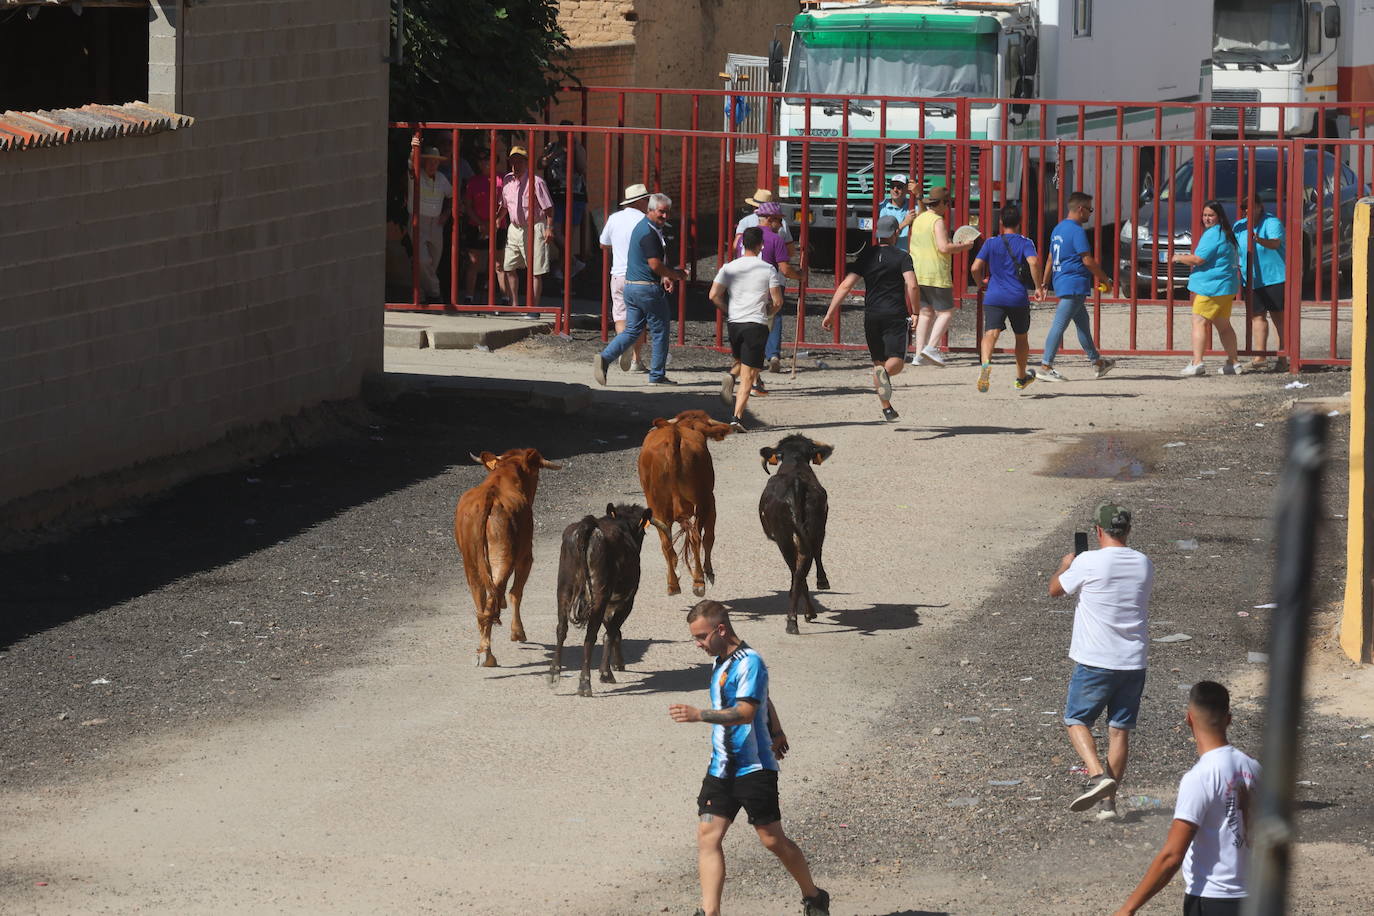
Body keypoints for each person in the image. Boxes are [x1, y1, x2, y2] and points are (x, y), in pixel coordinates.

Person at [668, 600, 830, 916]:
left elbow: (745, 711)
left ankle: (813, 896)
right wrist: (778, 730)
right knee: (708, 834)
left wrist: (699, 715)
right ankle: (709, 912)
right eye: (695, 638)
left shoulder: (750, 662)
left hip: (754, 769)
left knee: (772, 841)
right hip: (721, 768)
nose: (698, 644)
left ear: (721, 629)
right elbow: (764, 697)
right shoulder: (720, 661)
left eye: (701, 637)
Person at [1112, 681, 1260, 916]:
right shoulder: (1254, 767)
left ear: (1188, 719)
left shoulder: (1200, 777)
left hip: (1212, 899)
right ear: (1229, 719)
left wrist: (1128, 909)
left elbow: (1172, 856)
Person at [1049, 504, 1154, 819]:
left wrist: (1065, 565)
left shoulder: (1089, 561)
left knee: (1076, 719)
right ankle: (1109, 805)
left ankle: (1097, 776)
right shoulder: (1144, 563)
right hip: (1134, 661)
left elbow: (1055, 590)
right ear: (1128, 530)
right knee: (1119, 731)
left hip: (1096, 659)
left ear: (1097, 530)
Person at [821, 214, 918, 422]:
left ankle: (887, 408)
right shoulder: (903, 257)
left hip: (871, 315)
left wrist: (830, 312)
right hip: (894, 314)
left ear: (878, 234)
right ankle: (882, 375)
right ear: (896, 233)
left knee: (879, 363)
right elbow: (912, 285)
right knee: (897, 362)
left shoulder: (866, 256)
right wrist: (916, 311)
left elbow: (846, 285)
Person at [592, 193, 685, 386]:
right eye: (661, 212)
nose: (665, 216)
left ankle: (605, 358)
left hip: (631, 287)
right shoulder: (648, 232)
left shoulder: (644, 227)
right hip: (647, 289)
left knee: (632, 330)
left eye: (667, 212)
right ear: (650, 209)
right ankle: (657, 375)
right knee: (660, 331)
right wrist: (675, 274)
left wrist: (666, 274)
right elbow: (654, 265)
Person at [710, 226, 784, 432]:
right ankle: (737, 417)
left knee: (743, 362)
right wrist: (768, 310)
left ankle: (731, 376)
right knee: (750, 373)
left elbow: (713, 295)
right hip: (756, 323)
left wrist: (728, 309)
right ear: (761, 245)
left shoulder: (729, 267)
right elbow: (777, 301)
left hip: (735, 323)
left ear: (742, 243)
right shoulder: (767, 269)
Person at [1038, 192, 1118, 381]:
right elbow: (1087, 260)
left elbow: (1050, 258)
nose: (1090, 213)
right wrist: (1106, 279)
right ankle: (1046, 366)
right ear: (1080, 209)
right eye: (1089, 209)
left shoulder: (1058, 229)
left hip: (1063, 283)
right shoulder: (1076, 230)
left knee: (1083, 325)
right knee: (1059, 325)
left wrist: (1044, 283)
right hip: (1074, 284)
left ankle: (1097, 363)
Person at [971, 204, 1046, 393]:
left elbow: (974, 268)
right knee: (1021, 337)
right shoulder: (1025, 242)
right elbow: (1034, 262)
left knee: (990, 333)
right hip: (1017, 297)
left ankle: (986, 364)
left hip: (994, 295)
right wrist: (1038, 287)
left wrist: (980, 284)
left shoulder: (991, 242)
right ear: (1020, 223)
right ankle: (1021, 377)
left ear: (1001, 222)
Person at [908, 186, 976, 366]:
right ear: (943, 203)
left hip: (918, 271)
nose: (948, 208)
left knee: (925, 313)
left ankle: (918, 355)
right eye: (948, 204)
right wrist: (964, 246)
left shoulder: (920, 218)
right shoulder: (938, 221)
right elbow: (943, 247)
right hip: (936, 272)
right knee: (946, 311)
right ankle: (931, 348)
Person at [1174, 199, 1242, 376]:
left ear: (1219, 217)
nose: (1207, 218)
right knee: (1224, 326)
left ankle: (1197, 363)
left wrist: (1179, 257)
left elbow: (1198, 259)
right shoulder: (1226, 233)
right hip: (1226, 286)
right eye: (1204, 215)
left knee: (1199, 322)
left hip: (1211, 287)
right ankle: (1233, 362)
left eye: (1210, 215)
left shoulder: (1213, 234)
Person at [599, 183, 653, 372]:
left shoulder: (614, 218)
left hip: (618, 275)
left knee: (620, 317)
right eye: (647, 199)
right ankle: (637, 361)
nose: (649, 202)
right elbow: (658, 248)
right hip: (640, 277)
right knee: (638, 320)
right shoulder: (646, 220)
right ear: (639, 201)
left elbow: (603, 244)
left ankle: (624, 346)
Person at [750, 202, 803, 391]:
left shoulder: (747, 235)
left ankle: (748, 373)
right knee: (768, 324)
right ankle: (769, 358)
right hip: (769, 286)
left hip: (747, 287)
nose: (781, 224)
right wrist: (800, 275)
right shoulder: (775, 239)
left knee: (751, 330)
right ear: (770, 219)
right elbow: (785, 269)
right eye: (779, 220)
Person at [1233, 189, 1287, 371]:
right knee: (1257, 317)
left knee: (1278, 318)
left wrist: (1258, 240)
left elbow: (1275, 243)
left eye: (1251, 206)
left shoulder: (1271, 222)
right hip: (1252, 279)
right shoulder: (1239, 226)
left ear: (1259, 206)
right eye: (1243, 207)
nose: (1247, 210)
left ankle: (1283, 357)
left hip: (1274, 277)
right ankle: (1260, 356)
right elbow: (1234, 248)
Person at [497, 146, 553, 309]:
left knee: (536, 270)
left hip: (535, 226)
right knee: (508, 266)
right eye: (513, 161)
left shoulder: (537, 182)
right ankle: (515, 304)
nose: (516, 164)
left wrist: (549, 227)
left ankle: (533, 308)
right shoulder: (507, 180)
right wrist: (497, 219)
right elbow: (505, 205)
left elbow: (548, 207)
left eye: (519, 161)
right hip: (514, 227)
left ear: (526, 162)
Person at [541, 120, 589, 278]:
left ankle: (560, 270)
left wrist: (573, 148)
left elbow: (582, 168)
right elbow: (540, 164)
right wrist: (555, 154)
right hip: (555, 194)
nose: (563, 134)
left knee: (567, 234)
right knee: (553, 230)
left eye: (567, 131)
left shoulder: (577, 147)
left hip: (575, 195)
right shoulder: (552, 146)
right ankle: (574, 262)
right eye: (561, 131)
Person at [408, 141, 452, 304]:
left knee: (433, 261)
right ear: (424, 162)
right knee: (423, 260)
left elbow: (451, 196)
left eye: (436, 162)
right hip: (419, 220)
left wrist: (446, 214)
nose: (433, 165)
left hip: (437, 224)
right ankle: (434, 293)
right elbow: (411, 164)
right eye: (430, 161)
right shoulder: (416, 175)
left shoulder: (441, 178)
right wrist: (414, 149)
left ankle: (420, 294)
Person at [459, 152, 504, 305]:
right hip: (476, 226)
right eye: (482, 160)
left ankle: (505, 298)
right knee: (474, 262)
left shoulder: (502, 180)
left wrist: (494, 222)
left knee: (499, 264)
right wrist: (480, 223)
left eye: (489, 159)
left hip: (498, 225)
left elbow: (506, 204)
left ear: (495, 161)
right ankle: (469, 297)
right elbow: (468, 205)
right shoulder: (473, 181)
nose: (485, 163)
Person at [877, 175, 914, 246]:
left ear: (907, 189)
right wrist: (905, 223)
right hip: (890, 254)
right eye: (892, 186)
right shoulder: (883, 207)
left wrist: (918, 194)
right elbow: (887, 237)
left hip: (907, 254)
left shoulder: (912, 205)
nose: (895, 190)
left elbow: (924, 216)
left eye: (899, 187)